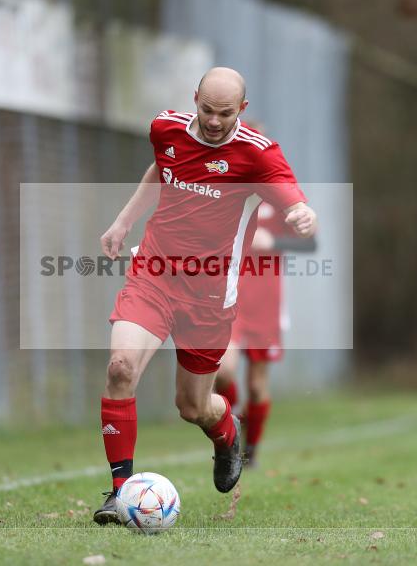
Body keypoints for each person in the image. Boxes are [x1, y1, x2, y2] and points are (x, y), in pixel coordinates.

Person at [93, 67, 317, 524]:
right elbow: (162, 168)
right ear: (195, 98)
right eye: (207, 110)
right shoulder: (165, 127)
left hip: (209, 297)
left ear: (243, 110)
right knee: (119, 369)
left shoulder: (256, 152)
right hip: (154, 273)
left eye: (226, 113)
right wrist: (123, 221)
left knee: (193, 406)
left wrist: (299, 212)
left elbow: (289, 192)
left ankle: (226, 433)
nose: (215, 121)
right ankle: (119, 495)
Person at [214, 198, 316, 468]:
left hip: (266, 305)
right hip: (230, 298)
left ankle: (251, 451)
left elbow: (311, 242)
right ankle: (232, 428)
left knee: (257, 387)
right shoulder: (228, 193)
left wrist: (273, 242)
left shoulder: (281, 198)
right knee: (223, 371)